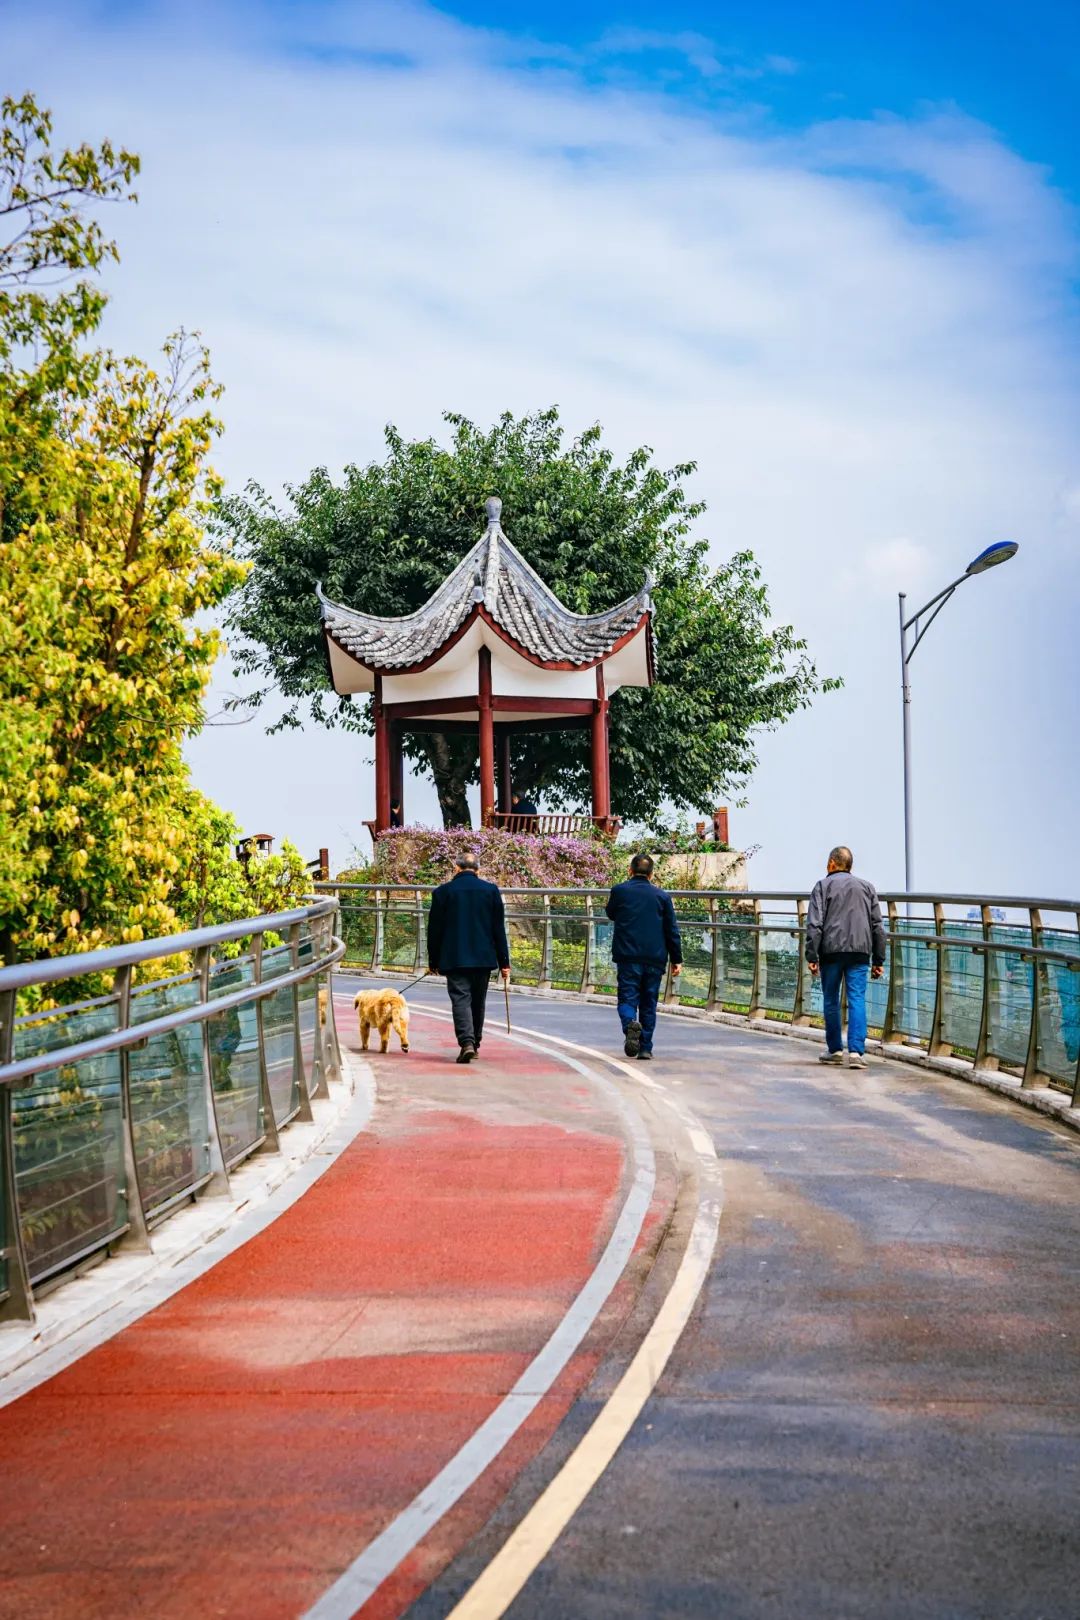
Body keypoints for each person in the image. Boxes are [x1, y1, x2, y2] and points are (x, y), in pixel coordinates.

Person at [805, 845, 886, 1068]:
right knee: (856, 999)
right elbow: (878, 926)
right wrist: (878, 960)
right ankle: (856, 1054)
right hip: (860, 952)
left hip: (830, 952)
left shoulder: (822, 886)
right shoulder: (867, 887)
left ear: (832, 863)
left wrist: (811, 955)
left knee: (831, 1000)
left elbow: (815, 924)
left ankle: (835, 1050)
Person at [426, 852, 511, 1063]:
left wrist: (433, 961)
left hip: (454, 958)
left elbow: (434, 930)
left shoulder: (442, 893)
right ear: (478, 869)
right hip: (484, 958)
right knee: (478, 1001)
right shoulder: (491, 891)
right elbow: (498, 929)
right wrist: (504, 962)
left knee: (460, 999)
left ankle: (467, 1042)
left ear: (457, 868)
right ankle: (476, 1043)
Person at [605, 853, 682, 1060]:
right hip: (655, 958)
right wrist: (677, 959)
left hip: (627, 956)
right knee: (649, 1003)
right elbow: (671, 930)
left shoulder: (619, 891)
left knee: (627, 998)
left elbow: (610, 913)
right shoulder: (662, 897)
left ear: (630, 870)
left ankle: (630, 1024)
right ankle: (645, 1048)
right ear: (652, 874)